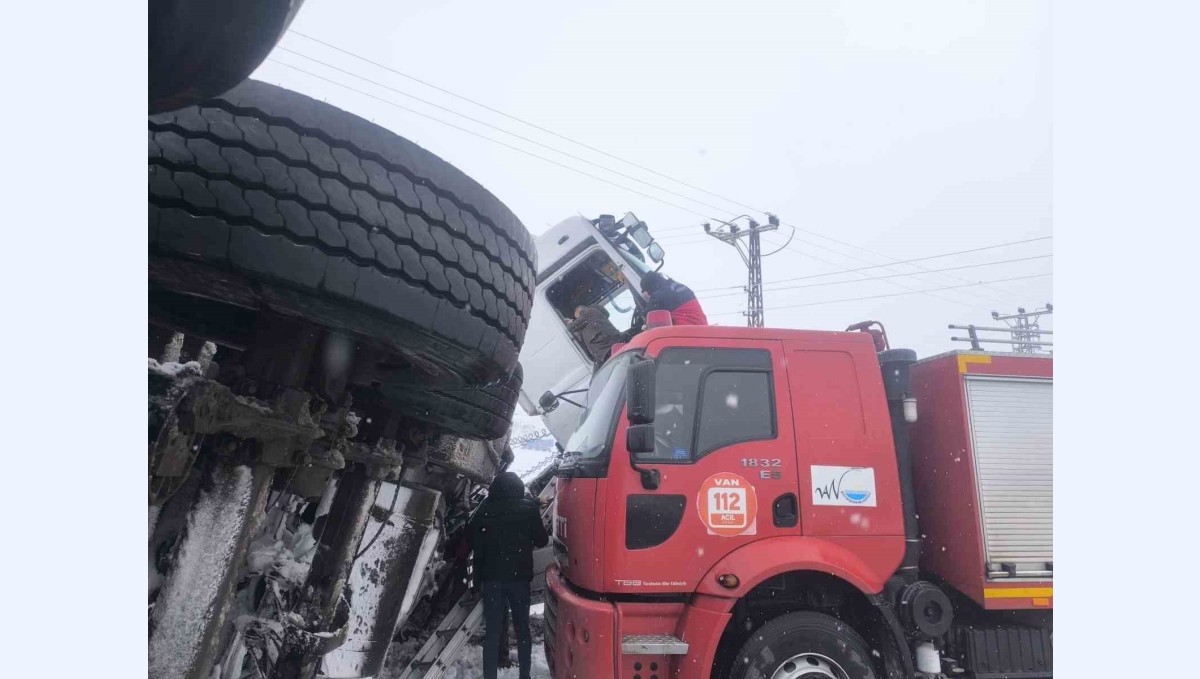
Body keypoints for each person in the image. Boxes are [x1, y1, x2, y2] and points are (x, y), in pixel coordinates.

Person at [469, 471, 549, 679]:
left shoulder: (484, 510)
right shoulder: (528, 509)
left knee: (492, 633)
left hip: (492, 580)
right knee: (523, 630)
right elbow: (541, 541)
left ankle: (489, 676)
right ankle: (525, 675)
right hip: (519, 580)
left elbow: (476, 548)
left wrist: (475, 583)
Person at [639, 271, 709, 326]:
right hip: (701, 328)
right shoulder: (673, 286)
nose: (649, 294)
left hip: (684, 331)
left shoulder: (661, 294)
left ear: (651, 287)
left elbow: (647, 316)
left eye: (649, 292)